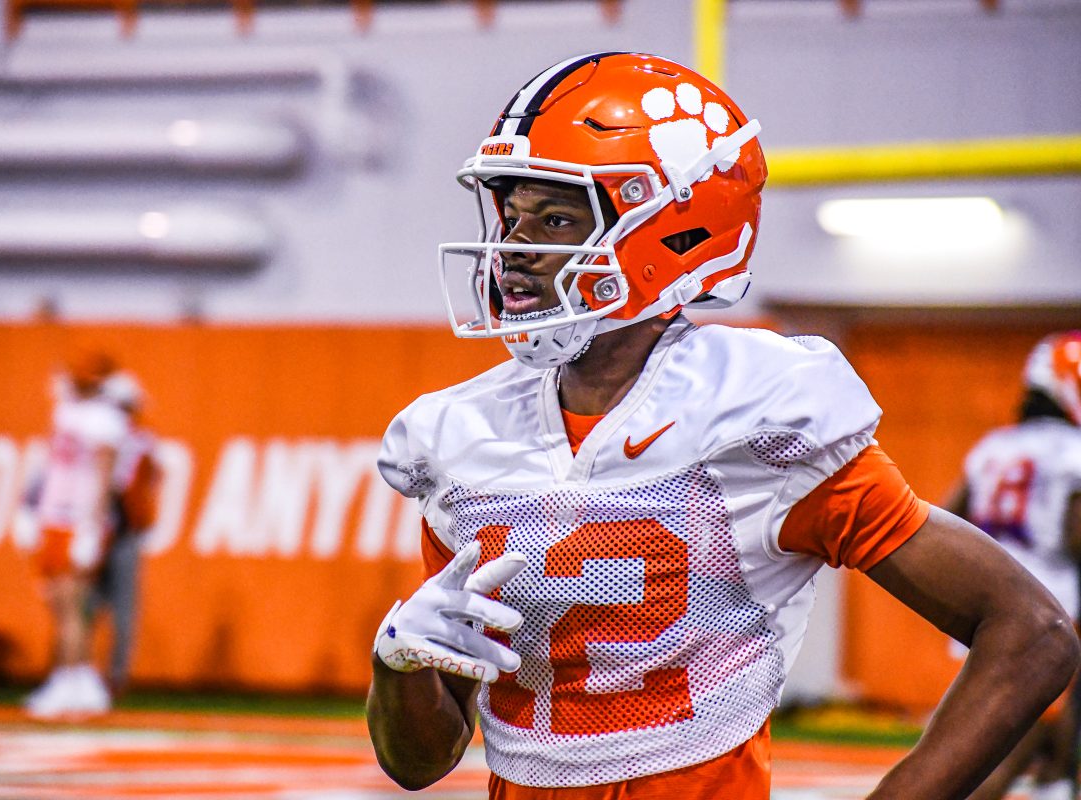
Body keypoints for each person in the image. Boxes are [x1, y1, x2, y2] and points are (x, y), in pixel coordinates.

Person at [365, 52, 1080, 799]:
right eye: (512, 216)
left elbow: (1032, 635)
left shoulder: (754, 410)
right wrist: (398, 662)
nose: (515, 250)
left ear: (670, 231)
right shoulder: (466, 435)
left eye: (555, 218)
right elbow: (418, 762)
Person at [947, 332, 1081, 800]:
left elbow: (947, 517)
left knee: (977, 743)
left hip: (982, 602)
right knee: (1030, 747)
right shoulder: (1071, 450)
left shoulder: (993, 446)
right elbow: (1076, 535)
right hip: (1049, 611)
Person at [23, 350, 127, 719]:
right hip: (56, 515)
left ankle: (73, 680)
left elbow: (103, 476)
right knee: (59, 603)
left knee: (72, 605)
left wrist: (91, 526)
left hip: (77, 518)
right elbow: (50, 466)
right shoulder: (69, 411)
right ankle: (77, 679)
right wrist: (32, 508)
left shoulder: (105, 420)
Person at [90, 370, 159, 696]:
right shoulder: (115, 439)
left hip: (119, 530)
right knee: (86, 607)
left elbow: (131, 487)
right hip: (105, 528)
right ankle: (82, 675)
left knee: (117, 610)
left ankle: (113, 678)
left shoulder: (137, 441)